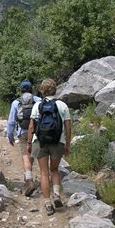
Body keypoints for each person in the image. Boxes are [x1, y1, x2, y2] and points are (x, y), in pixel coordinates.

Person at [27, 78, 71, 216]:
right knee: (54, 169)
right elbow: (68, 127)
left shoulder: (37, 106)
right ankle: (57, 194)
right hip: (58, 142)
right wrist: (67, 144)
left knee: (44, 173)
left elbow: (31, 127)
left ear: (42, 90)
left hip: (40, 142)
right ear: (55, 89)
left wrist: (29, 144)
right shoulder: (62, 105)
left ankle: (47, 203)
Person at [6, 81, 41, 196]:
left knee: (26, 155)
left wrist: (10, 136)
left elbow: (11, 122)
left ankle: (29, 180)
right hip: (37, 132)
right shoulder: (38, 101)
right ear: (32, 89)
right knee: (32, 154)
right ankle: (29, 178)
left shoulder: (16, 102)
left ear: (21, 90)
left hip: (23, 132)